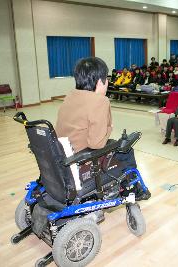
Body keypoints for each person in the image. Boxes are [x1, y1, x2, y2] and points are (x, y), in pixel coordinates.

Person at [55, 57, 150, 200]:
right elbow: (96, 144)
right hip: (82, 159)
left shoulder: (70, 96)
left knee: (114, 144)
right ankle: (131, 189)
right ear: (100, 81)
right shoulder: (99, 101)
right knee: (126, 149)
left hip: (63, 155)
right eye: (107, 79)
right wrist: (109, 127)